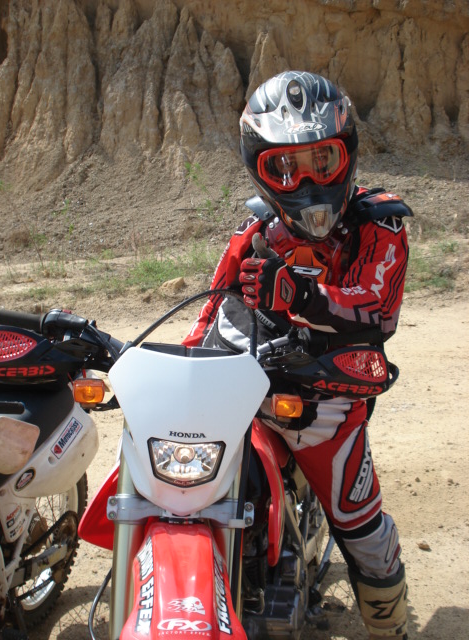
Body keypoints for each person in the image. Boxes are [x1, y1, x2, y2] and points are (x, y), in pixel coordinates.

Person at [183, 70, 412, 639]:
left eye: (322, 161)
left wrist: (302, 294)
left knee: (363, 530)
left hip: (325, 401)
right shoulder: (256, 227)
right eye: (285, 166)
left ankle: (393, 630)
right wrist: (182, 367)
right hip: (244, 386)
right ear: (258, 168)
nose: (306, 180)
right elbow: (212, 302)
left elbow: (378, 309)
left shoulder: (378, 224)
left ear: (347, 154)